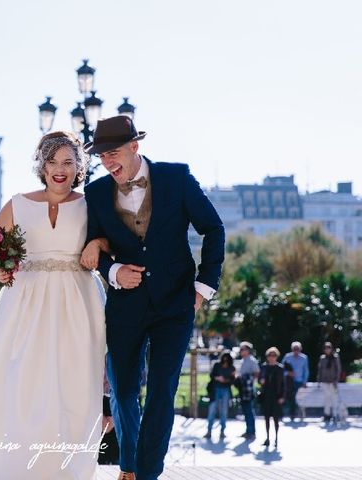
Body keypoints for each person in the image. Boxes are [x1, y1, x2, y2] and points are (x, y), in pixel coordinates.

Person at [0, 131, 108, 479]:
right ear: (42, 165)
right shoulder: (17, 203)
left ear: (79, 167)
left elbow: (112, 238)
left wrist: (99, 243)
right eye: (52, 162)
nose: (59, 170)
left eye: (68, 162)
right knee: (18, 386)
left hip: (79, 303)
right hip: (24, 304)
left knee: (75, 388)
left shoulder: (92, 203)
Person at [81, 115, 225, 480]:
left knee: (162, 392)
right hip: (125, 307)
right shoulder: (96, 193)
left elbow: (213, 228)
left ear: (134, 147)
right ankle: (129, 464)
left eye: (113, 152)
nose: (107, 162)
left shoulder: (176, 178)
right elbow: (93, 244)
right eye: (101, 156)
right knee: (124, 392)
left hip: (176, 305)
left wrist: (203, 288)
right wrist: (113, 272)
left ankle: (145, 474)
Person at [204, 352, 236, 440]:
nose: (225, 360)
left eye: (227, 358)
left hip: (226, 390)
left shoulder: (232, 368)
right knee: (212, 410)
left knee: (224, 411)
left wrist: (225, 380)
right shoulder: (217, 365)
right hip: (215, 390)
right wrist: (218, 378)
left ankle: (222, 431)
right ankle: (209, 431)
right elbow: (212, 375)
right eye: (224, 358)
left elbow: (233, 380)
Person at [258, 347, 285, 448]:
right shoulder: (264, 367)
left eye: (274, 355)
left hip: (276, 396)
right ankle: (267, 437)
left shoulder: (280, 368)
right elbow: (259, 379)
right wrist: (261, 381)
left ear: (276, 356)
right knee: (266, 418)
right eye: (270, 355)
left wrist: (282, 396)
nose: (272, 357)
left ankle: (276, 438)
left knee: (276, 419)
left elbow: (283, 384)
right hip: (266, 396)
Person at [237, 341, 260, 439]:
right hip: (243, 389)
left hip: (249, 390)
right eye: (240, 349)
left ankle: (252, 432)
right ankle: (248, 430)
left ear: (248, 350)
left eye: (243, 349)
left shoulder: (252, 360)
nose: (241, 351)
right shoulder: (243, 361)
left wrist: (248, 379)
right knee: (245, 411)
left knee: (249, 410)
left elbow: (256, 373)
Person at [281, 341, 309, 420]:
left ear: (300, 349)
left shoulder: (304, 358)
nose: (296, 351)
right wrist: (287, 373)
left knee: (295, 398)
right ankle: (291, 413)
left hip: (299, 381)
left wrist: (304, 382)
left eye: (297, 349)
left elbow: (306, 371)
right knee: (289, 397)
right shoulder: (287, 357)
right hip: (288, 381)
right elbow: (281, 368)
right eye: (294, 349)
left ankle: (294, 413)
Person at [317, 342, 342, 424]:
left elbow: (338, 369)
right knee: (326, 399)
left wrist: (336, 380)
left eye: (329, 348)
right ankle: (327, 415)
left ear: (331, 349)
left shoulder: (335, 357)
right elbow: (320, 370)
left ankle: (335, 415)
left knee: (334, 399)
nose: (327, 349)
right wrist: (319, 380)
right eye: (326, 348)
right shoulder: (322, 358)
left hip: (332, 382)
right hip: (324, 381)